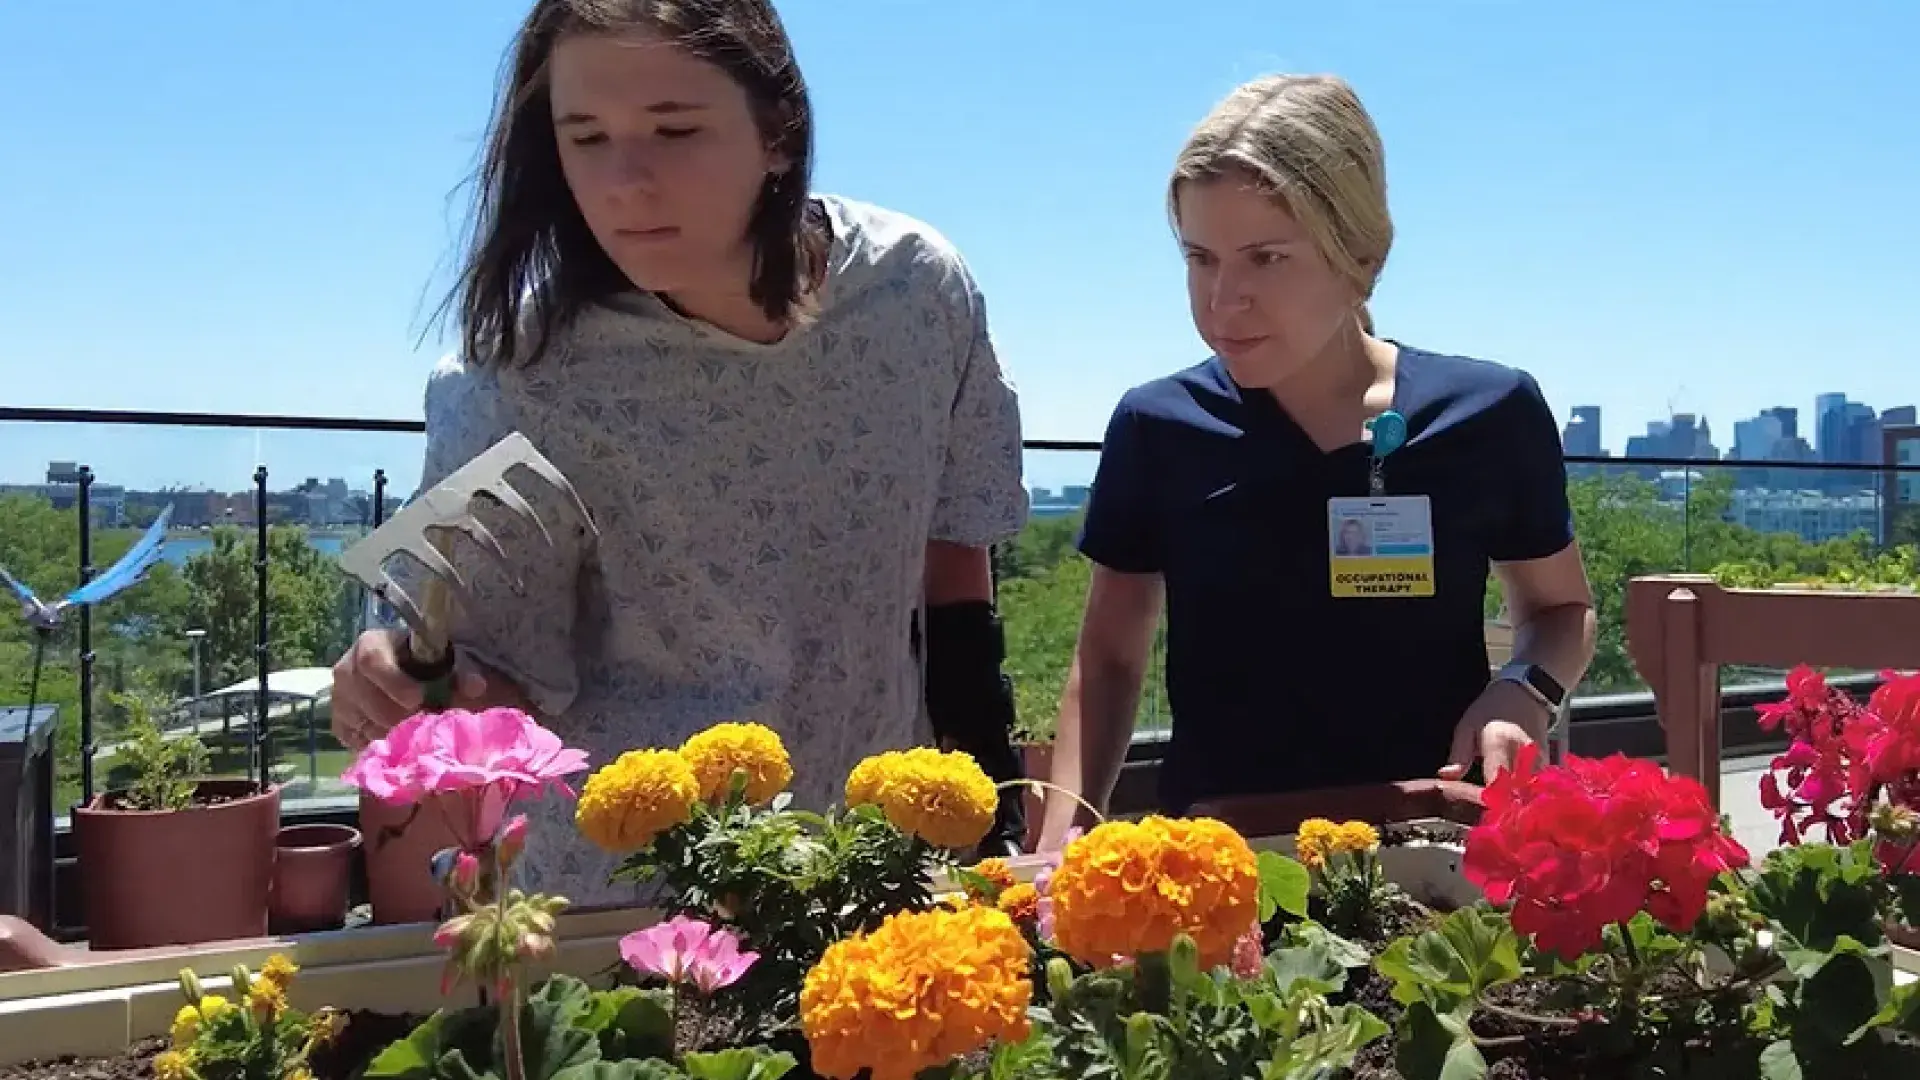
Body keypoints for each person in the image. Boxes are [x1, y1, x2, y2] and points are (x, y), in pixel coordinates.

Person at [328, 0, 1031, 903]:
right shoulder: (513, 371)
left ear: (777, 132)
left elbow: (954, 560)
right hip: (633, 906)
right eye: (585, 136)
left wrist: (991, 810)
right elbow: (489, 682)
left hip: (869, 871)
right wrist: (400, 681)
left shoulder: (917, 292)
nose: (625, 181)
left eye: (674, 129)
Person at [1036, 74, 1596, 850]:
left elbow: (1562, 612)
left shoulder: (1488, 414)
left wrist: (1520, 693)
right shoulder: (1156, 427)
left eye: (1266, 258)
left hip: (1431, 849)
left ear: (1359, 256)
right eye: (1200, 258)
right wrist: (1064, 835)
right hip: (1221, 860)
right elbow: (1106, 659)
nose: (1223, 299)